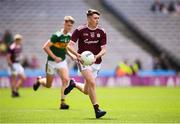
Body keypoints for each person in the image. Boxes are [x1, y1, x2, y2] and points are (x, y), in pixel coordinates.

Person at [64, 9, 107, 118]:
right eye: (95, 18)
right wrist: (77, 55)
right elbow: (69, 46)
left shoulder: (102, 32)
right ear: (88, 18)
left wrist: (96, 56)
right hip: (83, 61)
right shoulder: (80, 30)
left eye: (98, 18)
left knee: (87, 91)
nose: (97, 20)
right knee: (92, 82)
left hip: (96, 62)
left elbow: (104, 49)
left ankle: (74, 84)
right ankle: (97, 110)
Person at [33, 16, 75, 109]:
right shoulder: (57, 35)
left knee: (66, 80)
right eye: (67, 25)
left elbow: (64, 48)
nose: (69, 27)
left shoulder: (69, 36)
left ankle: (63, 103)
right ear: (64, 24)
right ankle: (39, 81)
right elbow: (45, 47)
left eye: (70, 26)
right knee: (48, 85)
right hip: (52, 62)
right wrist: (55, 57)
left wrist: (71, 55)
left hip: (62, 62)